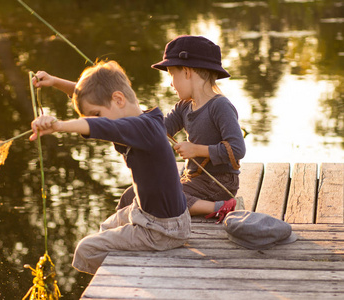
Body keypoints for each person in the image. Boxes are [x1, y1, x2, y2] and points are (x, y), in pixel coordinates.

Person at [30, 60, 191, 275]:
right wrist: (55, 82)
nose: (95, 120)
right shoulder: (146, 119)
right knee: (106, 228)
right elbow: (93, 99)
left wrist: (59, 126)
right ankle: (131, 253)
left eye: (95, 114)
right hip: (152, 215)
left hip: (163, 229)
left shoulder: (143, 128)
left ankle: (136, 274)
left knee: (86, 250)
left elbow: (104, 126)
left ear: (118, 99)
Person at [118, 35, 246, 223]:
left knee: (163, 197)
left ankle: (220, 207)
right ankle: (118, 230)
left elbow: (237, 149)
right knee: (132, 194)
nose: (170, 83)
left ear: (186, 72)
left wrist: (196, 150)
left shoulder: (220, 106)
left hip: (219, 184)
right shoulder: (184, 107)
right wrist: (133, 113)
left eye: (171, 74)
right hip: (193, 181)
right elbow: (159, 129)